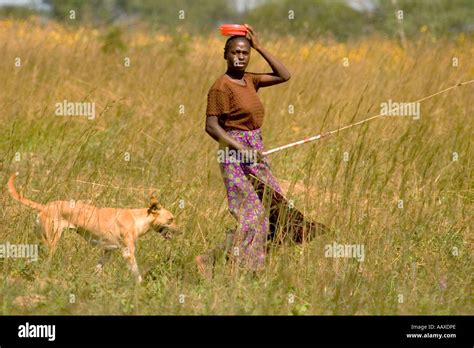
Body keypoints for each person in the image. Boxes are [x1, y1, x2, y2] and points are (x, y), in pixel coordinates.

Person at [196, 24, 291, 275]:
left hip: (255, 151)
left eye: (244, 53)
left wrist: (259, 46)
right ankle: (248, 271)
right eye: (235, 53)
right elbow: (211, 127)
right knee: (252, 214)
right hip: (232, 154)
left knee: (275, 208)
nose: (240, 57)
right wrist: (241, 149)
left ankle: (212, 259)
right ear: (225, 54)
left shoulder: (250, 80)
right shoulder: (221, 87)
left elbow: (284, 75)